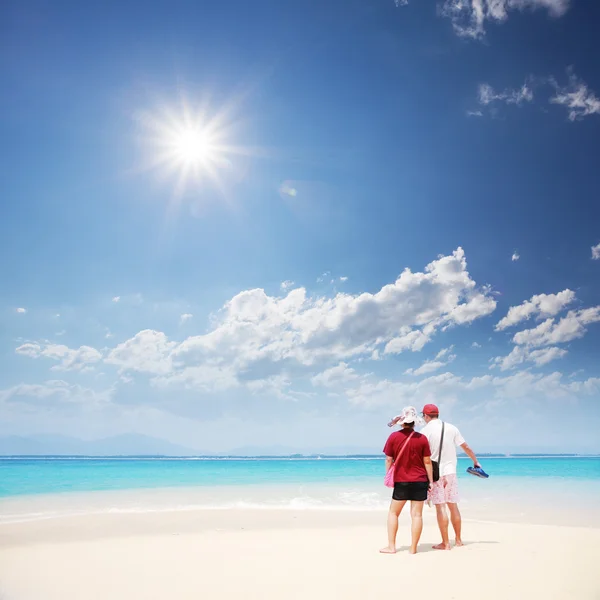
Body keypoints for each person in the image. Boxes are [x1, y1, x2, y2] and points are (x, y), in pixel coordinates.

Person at [420, 403, 482, 550]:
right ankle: (459, 540)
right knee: (453, 506)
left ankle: (446, 543)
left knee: (440, 507)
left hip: (435, 474)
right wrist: (475, 461)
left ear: (426, 416)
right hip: (451, 472)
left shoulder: (424, 431)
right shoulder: (452, 428)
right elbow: (465, 446)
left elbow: (422, 456)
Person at [380, 406, 433, 555]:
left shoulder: (394, 437)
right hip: (420, 480)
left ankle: (391, 547)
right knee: (416, 515)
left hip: (401, 480)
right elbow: (427, 462)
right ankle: (413, 548)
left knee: (393, 513)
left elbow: (389, 459)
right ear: (414, 422)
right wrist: (430, 481)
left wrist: (388, 475)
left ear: (402, 421)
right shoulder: (422, 438)